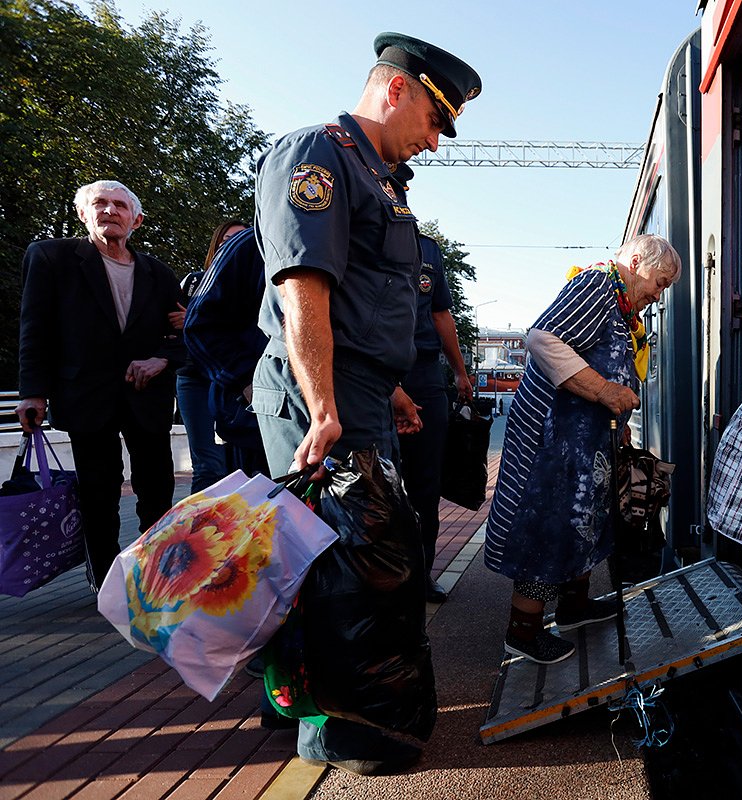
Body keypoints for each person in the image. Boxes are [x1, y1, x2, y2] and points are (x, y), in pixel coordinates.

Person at [250, 32, 481, 776]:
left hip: (359, 393)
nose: (436, 144)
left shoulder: (381, 178)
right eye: (436, 124)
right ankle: (336, 737)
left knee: (358, 560)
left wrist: (392, 389)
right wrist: (324, 407)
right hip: (317, 393)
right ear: (397, 90)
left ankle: (321, 709)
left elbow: (367, 304)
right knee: (335, 567)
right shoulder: (316, 156)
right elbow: (303, 288)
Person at [483, 234, 681, 664]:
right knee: (549, 527)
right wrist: (605, 390)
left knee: (585, 522)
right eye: (659, 282)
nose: (658, 293)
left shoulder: (619, 304)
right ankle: (522, 632)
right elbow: (543, 340)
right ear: (634, 261)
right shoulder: (595, 285)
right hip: (552, 441)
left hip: (581, 443)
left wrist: (618, 424)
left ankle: (573, 609)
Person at [17, 180, 184, 589]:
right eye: (100, 203)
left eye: (120, 206)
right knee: (98, 493)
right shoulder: (51, 257)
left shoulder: (159, 273)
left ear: (136, 219)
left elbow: (186, 337)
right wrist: (32, 392)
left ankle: (156, 575)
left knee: (157, 488)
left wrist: (161, 358)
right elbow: (33, 327)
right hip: (86, 395)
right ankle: (108, 582)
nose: (110, 211)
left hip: (147, 398)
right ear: (83, 214)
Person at [398, 233, 473, 603]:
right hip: (373, 371)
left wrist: (459, 371)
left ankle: (422, 575)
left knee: (425, 488)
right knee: (370, 483)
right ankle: (381, 581)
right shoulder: (351, 229)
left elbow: (440, 312)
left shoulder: (428, 248)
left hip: (425, 373)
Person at [170, 219, 249, 492]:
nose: (235, 245)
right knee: (207, 465)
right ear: (216, 245)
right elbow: (175, 325)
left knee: (240, 462)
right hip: (196, 378)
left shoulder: (256, 285)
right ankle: (200, 532)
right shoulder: (194, 281)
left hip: (235, 379)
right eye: (227, 240)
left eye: (242, 238)